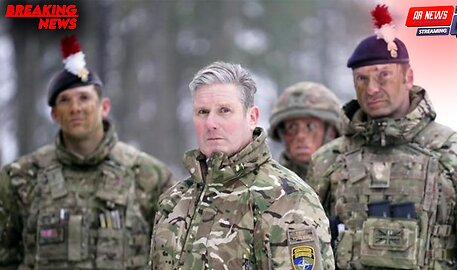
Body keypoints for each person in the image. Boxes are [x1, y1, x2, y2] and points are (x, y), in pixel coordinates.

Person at [306, 5, 457, 269]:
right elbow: (308, 246)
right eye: (361, 79)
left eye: (383, 75)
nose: (372, 88)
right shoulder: (328, 160)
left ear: (408, 77)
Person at [0, 35, 176, 269]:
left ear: (104, 107)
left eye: (84, 97)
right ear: (54, 114)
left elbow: (172, 255)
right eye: (65, 100)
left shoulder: (149, 175)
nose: (75, 108)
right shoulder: (20, 177)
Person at [149, 61, 334, 270]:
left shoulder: (288, 199)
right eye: (202, 112)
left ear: (252, 117)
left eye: (224, 110)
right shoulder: (174, 201)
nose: (211, 123)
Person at [269, 81, 344, 179]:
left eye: (311, 126)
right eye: (291, 127)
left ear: (331, 133)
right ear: (282, 134)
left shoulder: (351, 180)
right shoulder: (270, 184)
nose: (300, 136)